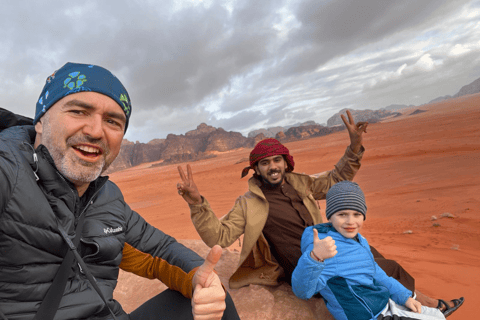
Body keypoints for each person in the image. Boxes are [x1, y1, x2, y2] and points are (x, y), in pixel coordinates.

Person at [0, 62, 240, 320]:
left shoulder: (106, 197)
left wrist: (198, 278)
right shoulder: (8, 173)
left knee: (215, 298)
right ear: (40, 121)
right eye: (79, 111)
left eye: (112, 121)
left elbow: (159, 251)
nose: (95, 131)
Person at [176, 121, 463, 316]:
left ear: (286, 163)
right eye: (265, 163)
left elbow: (335, 179)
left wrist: (354, 148)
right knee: (370, 272)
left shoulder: (300, 184)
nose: (272, 167)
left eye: (277, 160)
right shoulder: (249, 203)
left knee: (375, 258)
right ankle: (429, 308)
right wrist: (197, 203)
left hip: (333, 245)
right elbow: (219, 236)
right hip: (304, 263)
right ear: (257, 170)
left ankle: (422, 305)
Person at [291, 181, 449, 319]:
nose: (350, 221)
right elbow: (303, 292)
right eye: (342, 214)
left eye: (357, 214)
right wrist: (315, 257)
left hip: (383, 304)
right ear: (330, 217)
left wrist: (404, 297)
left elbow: (376, 272)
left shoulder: (359, 239)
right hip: (368, 315)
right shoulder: (326, 248)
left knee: (438, 315)